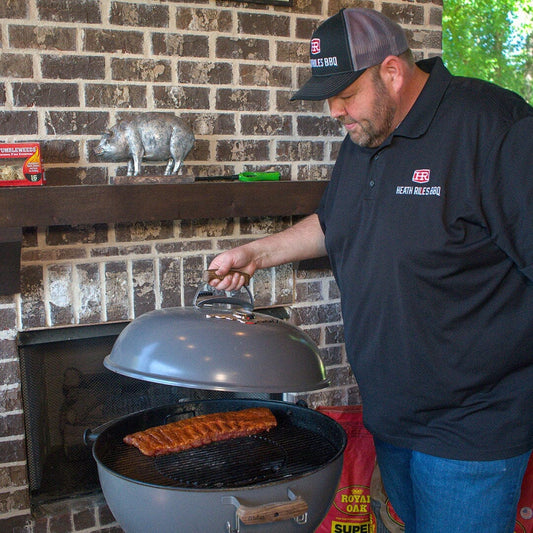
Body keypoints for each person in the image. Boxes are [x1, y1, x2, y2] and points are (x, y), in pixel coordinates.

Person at [207, 8, 533, 532]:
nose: (335, 110)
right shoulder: (366, 134)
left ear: (391, 72)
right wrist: (258, 254)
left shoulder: (495, 127)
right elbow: (338, 220)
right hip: (392, 414)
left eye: (345, 93)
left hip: (474, 426)